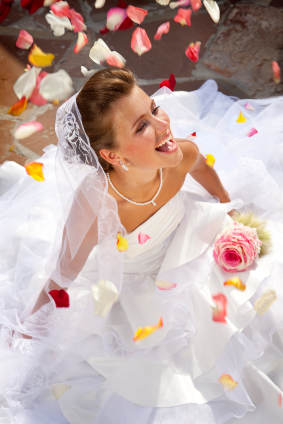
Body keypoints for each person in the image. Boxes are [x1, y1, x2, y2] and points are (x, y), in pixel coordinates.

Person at [0, 68, 282, 424]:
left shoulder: (178, 156)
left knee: (266, 313)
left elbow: (201, 166)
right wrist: (30, 325)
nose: (163, 125)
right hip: (141, 286)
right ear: (114, 157)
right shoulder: (97, 203)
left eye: (154, 108)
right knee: (167, 388)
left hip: (190, 244)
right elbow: (64, 272)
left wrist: (227, 202)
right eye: (141, 126)